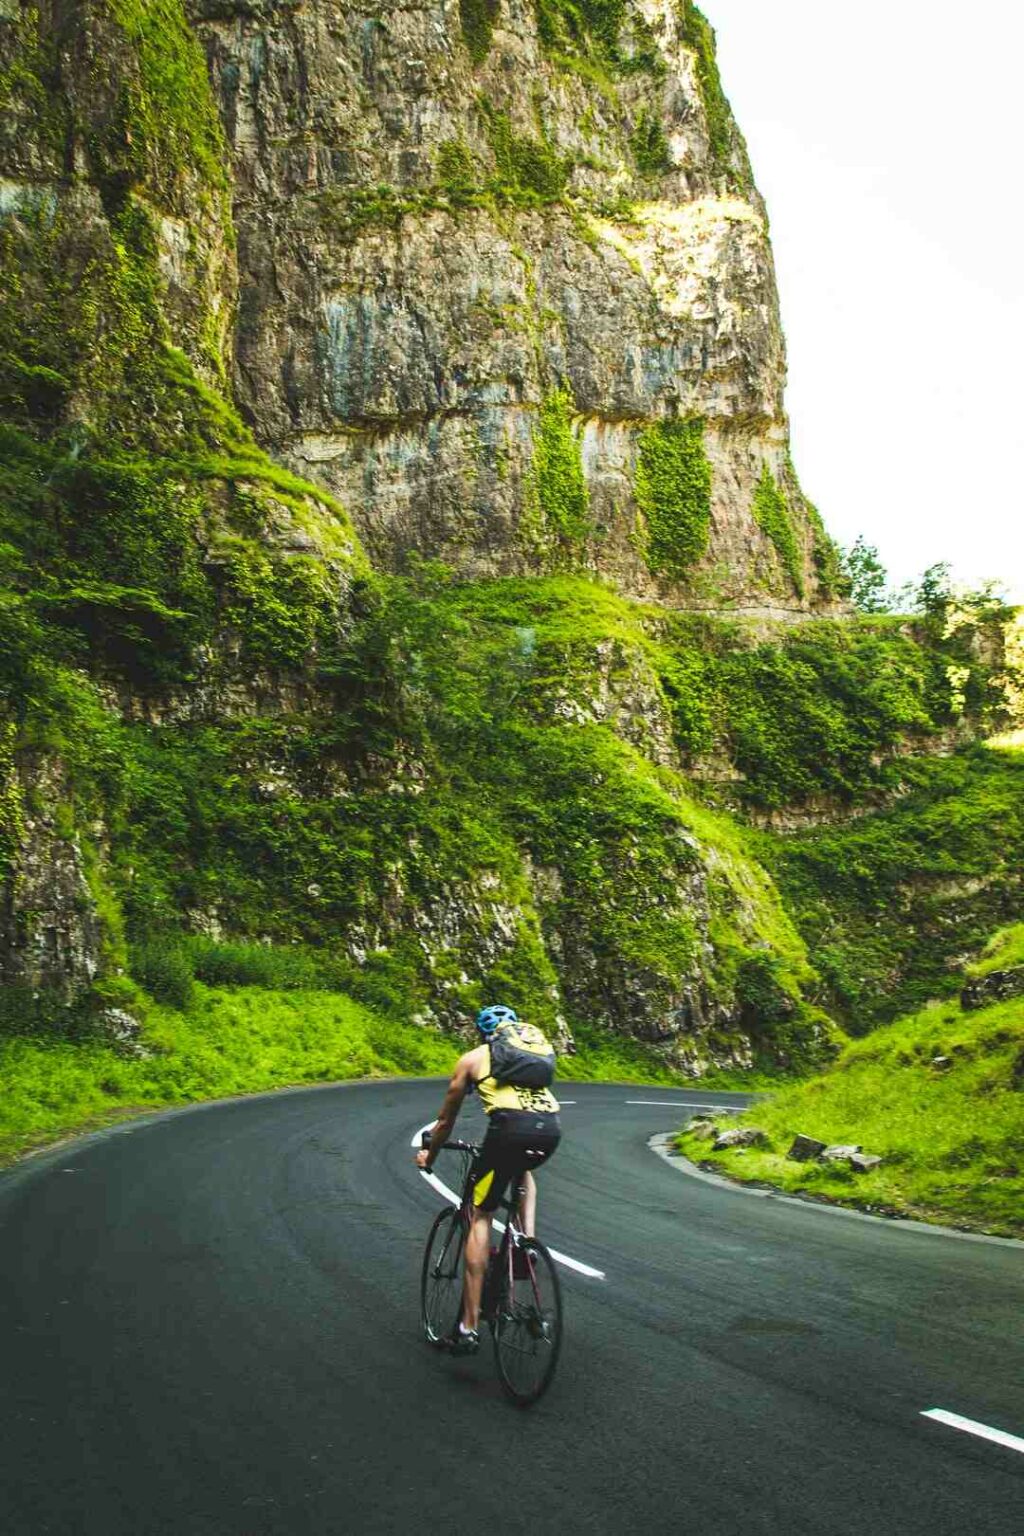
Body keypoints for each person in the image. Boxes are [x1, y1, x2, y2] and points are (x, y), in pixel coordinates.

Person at [415, 1004, 561, 1355]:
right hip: (550, 1130)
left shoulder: (473, 1059)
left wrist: (428, 1157)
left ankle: (467, 1327)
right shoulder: (529, 1062)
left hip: (509, 1130)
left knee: (481, 1214)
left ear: (482, 1034)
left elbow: (445, 1123)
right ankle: (526, 1242)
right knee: (520, 1168)